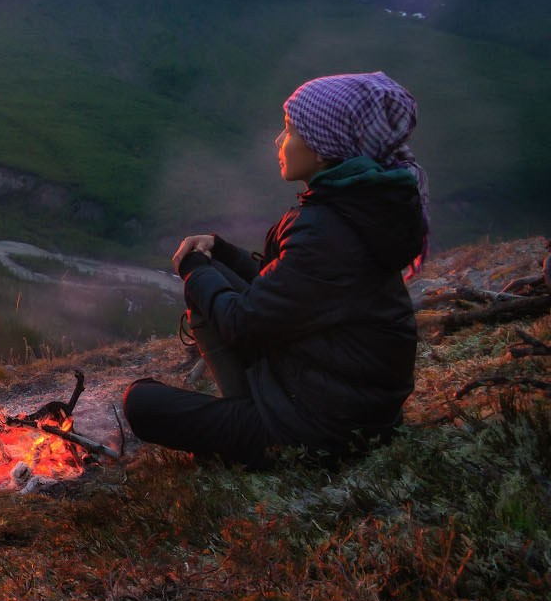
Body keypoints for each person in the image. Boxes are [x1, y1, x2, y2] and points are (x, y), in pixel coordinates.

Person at [124, 71, 429, 467]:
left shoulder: (326, 230)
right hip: (353, 408)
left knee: (142, 403)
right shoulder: (359, 209)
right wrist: (224, 253)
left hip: (318, 432)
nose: (278, 140)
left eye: (289, 129)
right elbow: (288, 292)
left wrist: (194, 270)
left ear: (322, 148)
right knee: (216, 274)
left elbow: (243, 322)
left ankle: (247, 422)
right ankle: (247, 409)